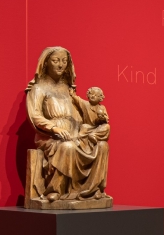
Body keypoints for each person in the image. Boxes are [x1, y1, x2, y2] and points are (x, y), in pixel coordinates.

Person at [25, 47, 110, 203]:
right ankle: (56, 189)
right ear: (46, 63)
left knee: (102, 145)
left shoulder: (68, 88)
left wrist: (97, 118)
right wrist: (55, 128)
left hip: (75, 133)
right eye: (55, 61)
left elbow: (81, 112)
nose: (60, 65)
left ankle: (92, 190)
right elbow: (35, 116)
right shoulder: (38, 89)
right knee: (68, 147)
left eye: (64, 61)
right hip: (51, 137)